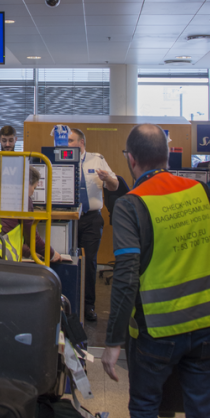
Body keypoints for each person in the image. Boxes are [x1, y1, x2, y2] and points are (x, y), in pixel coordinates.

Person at [102, 124, 210, 418]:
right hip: (209, 321)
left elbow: (127, 276)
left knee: (144, 408)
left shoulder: (131, 205)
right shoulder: (200, 191)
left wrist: (113, 341)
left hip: (159, 329)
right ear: (167, 155)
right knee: (203, 416)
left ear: (131, 160)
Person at [68, 128, 118, 321]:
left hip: (91, 218)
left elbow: (115, 185)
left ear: (81, 143)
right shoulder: (60, 160)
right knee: (67, 260)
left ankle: (88, 305)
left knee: (89, 262)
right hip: (68, 220)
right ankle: (68, 303)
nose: (67, 144)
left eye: (71, 141)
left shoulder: (97, 159)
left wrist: (108, 179)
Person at [0, 166, 61, 262]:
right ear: (28, 183)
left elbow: (5, 236)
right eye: (34, 187)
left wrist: (29, 252)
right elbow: (32, 238)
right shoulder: (23, 199)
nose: (33, 192)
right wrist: (52, 254)